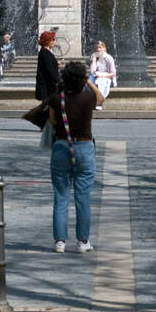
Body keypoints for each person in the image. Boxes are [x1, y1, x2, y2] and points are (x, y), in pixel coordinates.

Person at [47, 59, 103, 253]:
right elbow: (101, 97)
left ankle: (60, 241)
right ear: (82, 78)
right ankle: (83, 241)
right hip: (85, 148)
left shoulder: (58, 98)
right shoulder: (87, 97)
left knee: (61, 196)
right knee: (83, 197)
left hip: (62, 147)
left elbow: (53, 121)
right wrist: (87, 80)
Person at [89, 40, 117, 111]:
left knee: (101, 82)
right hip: (96, 77)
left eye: (100, 47)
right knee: (89, 80)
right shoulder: (94, 57)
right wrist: (94, 60)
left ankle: (98, 102)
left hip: (107, 78)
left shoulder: (109, 58)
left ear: (104, 48)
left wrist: (103, 76)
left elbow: (113, 73)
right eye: (97, 48)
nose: (98, 49)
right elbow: (92, 72)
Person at [35, 30, 61, 102]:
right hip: (47, 85)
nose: (54, 41)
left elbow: (48, 65)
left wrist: (55, 64)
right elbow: (49, 69)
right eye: (53, 39)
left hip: (48, 84)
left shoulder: (45, 51)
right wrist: (58, 81)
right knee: (49, 107)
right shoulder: (45, 53)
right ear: (47, 41)